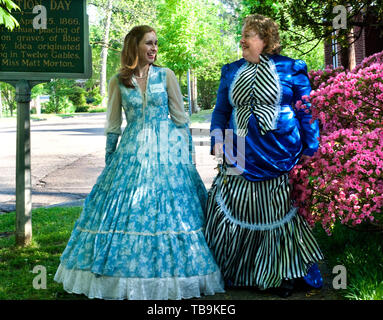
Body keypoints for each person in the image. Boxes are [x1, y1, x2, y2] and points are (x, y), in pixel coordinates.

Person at [54, 25, 225, 300]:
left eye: (156, 44)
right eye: (149, 43)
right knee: (126, 210)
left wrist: (187, 158)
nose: (154, 49)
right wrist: (110, 161)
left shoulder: (166, 75)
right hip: (131, 152)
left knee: (172, 212)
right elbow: (113, 126)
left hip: (166, 152)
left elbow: (181, 120)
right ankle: (123, 278)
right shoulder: (118, 81)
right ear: (134, 47)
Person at [205, 14, 324, 298]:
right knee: (237, 208)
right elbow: (222, 111)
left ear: (266, 40)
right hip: (239, 151)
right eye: (243, 34)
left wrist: (311, 148)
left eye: (250, 35)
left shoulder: (292, 68)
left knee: (278, 212)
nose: (243, 40)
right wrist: (217, 140)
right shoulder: (231, 70)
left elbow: (306, 111)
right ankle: (239, 271)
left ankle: (282, 273)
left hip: (281, 150)